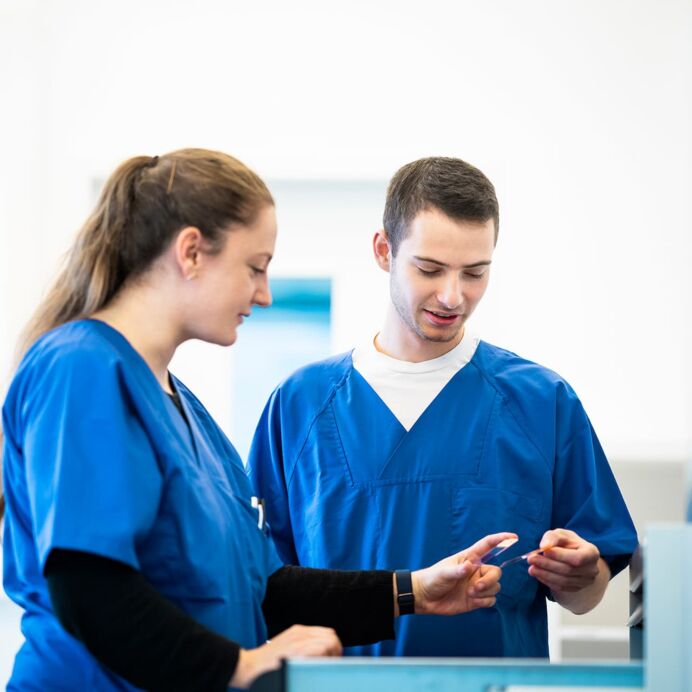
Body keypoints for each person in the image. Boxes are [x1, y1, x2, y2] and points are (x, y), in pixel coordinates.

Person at [0, 149, 515, 691]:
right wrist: (239, 667)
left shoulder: (183, 409)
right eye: (255, 267)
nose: (265, 294)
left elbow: (259, 590)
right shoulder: (81, 367)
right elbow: (88, 585)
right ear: (192, 253)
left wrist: (412, 591)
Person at [248, 156, 639, 658]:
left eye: (475, 273)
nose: (453, 296)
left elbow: (585, 594)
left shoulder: (542, 403)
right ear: (384, 251)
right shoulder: (298, 406)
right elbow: (261, 586)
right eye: (429, 269)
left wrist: (583, 577)